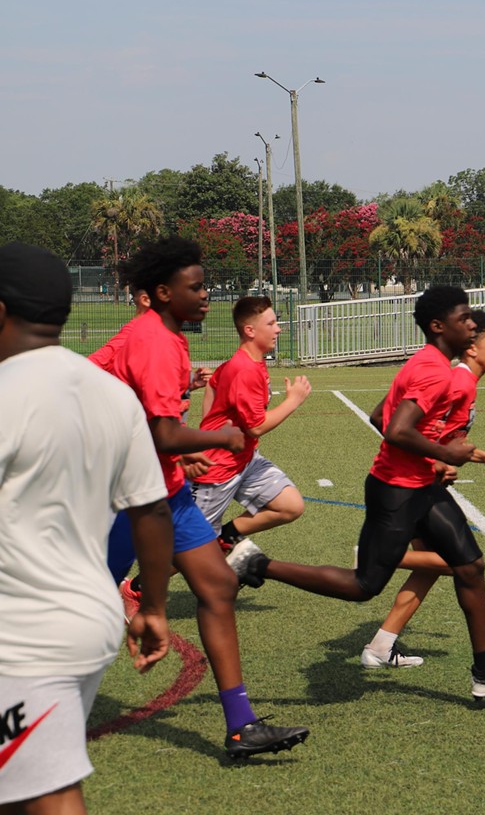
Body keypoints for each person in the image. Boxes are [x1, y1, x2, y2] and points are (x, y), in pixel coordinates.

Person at [227, 287, 485, 700]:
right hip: (396, 490)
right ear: (437, 326)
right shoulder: (435, 370)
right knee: (363, 586)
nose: (471, 323)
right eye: (463, 317)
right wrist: (441, 452)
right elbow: (395, 429)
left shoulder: (431, 363)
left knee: (470, 566)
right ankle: (256, 564)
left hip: (420, 486)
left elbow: (381, 415)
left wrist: (431, 459)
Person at [92, 236, 308, 758]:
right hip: (124, 493)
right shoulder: (156, 340)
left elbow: (133, 401)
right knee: (73, 601)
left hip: (163, 490)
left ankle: (241, 726)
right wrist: (220, 438)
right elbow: (162, 431)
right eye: (197, 287)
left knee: (217, 587)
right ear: (163, 292)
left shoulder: (163, 336)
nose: (207, 295)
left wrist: (178, 445)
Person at [0, 243, 175, 815]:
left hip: (23, 634)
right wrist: (152, 605)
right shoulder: (109, 393)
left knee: (49, 791)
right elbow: (150, 509)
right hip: (88, 618)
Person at [358, 310, 485, 669]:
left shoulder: (466, 382)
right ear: (471, 348)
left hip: (423, 482)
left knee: (435, 567)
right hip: (409, 485)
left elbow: (443, 435)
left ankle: (380, 646)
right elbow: (401, 426)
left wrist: (481, 455)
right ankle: (375, 555)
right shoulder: (456, 382)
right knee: (459, 564)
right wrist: (438, 460)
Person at [190, 296, 311, 552]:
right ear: (250, 330)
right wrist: (294, 400)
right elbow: (255, 427)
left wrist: (209, 425)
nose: (278, 328)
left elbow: (212, 385)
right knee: (193, 549)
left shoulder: (248, 363)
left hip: (245, 460)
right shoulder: (245, 369)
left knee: (291, 505)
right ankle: (135, 590)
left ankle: (227, 536)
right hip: (217, 469)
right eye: (271, 323)